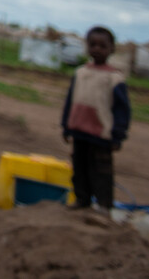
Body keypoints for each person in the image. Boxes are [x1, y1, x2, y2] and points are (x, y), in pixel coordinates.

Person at [62, 25, 130, 212]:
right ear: (87, 47)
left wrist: (118, 136)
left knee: (101, 172)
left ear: (111, 49)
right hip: (79, 131)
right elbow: (70, 100)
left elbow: (122, 110)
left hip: (101, 135)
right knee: (79, 169)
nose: (97, 49)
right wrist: (66, 127)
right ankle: (82, 200)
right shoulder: (80, 73)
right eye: (93, 45)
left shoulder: (115, 79)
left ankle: (103, 205)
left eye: (102, 46)